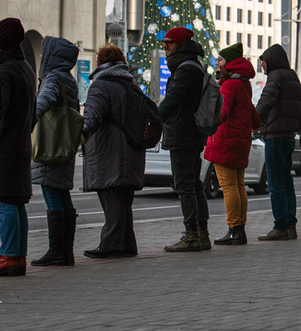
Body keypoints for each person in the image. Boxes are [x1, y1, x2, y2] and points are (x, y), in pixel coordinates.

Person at [81, 45, 146, 258]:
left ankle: (111, 244)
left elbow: (91, 117)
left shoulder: (101, 86)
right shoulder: (131, 84)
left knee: (112, 198)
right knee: (123, 199)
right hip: (131, 149)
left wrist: (77, 137)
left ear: (100, 63)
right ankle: (127, 244)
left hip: (110, 151)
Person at [159, 27, 210, 252]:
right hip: (191, 133)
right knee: (194, 184)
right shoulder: (191, 66)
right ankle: (201, 233)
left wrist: (153, 119)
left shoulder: (185, 69)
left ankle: (193, 235)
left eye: (169, 43)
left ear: (179, 44)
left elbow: (173, 100)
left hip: (183, 134)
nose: (166, 47)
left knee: (185, 185)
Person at [30, 36, 79, 267]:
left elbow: (45, 101)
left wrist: (28, 122)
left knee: (52, 193)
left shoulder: (53, 78)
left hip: (51, 145)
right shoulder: (68, 78)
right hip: (65, 143)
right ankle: (65, 251)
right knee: (62, 193)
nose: (41, 57)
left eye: (44, 53)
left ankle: (57, 251)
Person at [204, 43, 260, 245]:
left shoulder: (229, 85)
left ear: (230, 63)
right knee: (238, 185)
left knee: (228, 187)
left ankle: (234, 228)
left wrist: (207, 124)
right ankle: (240, 228)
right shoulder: (243, 84)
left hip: (225, 140)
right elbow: (251, 112)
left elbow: (222, 112)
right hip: (239, 140)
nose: (217, 64)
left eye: (220, 60)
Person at [256, 44, 301, 241]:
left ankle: (280, 226)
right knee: (287, 182)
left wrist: (253, 121)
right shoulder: (292, 76)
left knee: (276, 183)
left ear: (272, 60)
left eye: (264, 61)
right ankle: (290, 225)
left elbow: (266, 102)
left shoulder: (275, 77)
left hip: (275, 136)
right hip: (288, 136)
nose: (262, 65)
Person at [0, 18, 37, 277]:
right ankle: (19, 256)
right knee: (15, 202)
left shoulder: (5, 71)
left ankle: (9, 257)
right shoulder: (25, 67)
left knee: (5, 202)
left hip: (5, 148)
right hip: (21, 143)